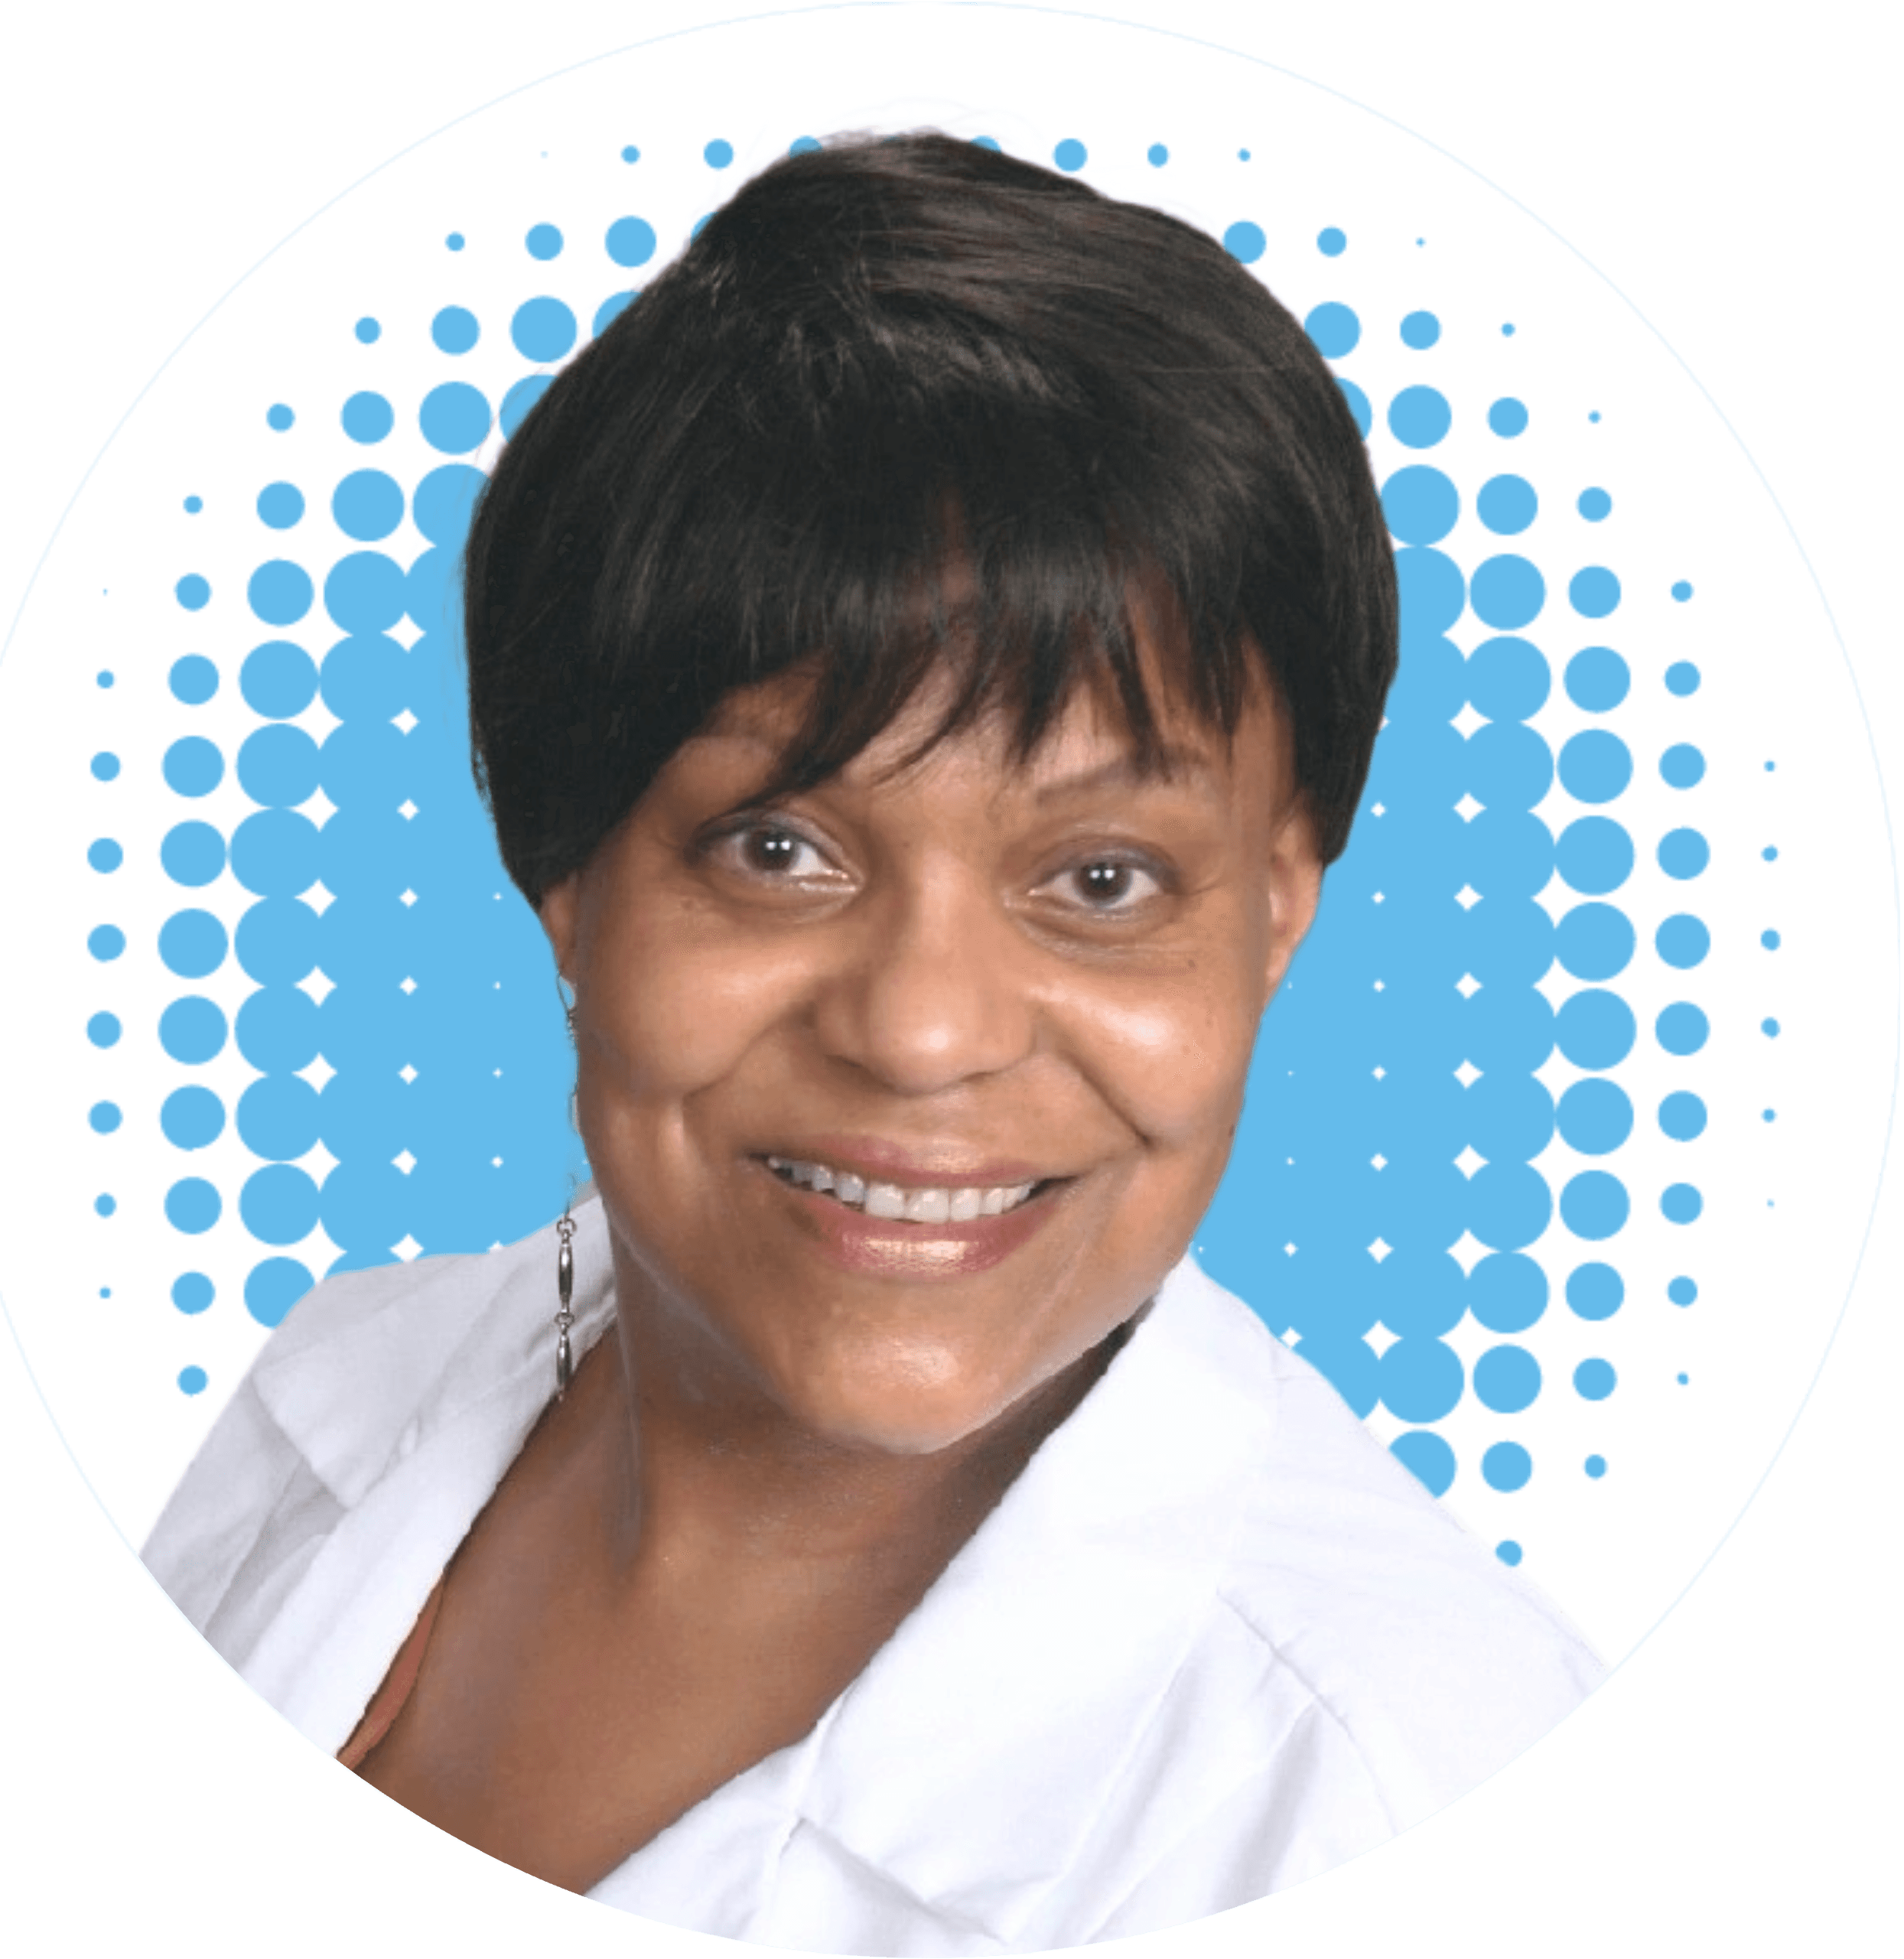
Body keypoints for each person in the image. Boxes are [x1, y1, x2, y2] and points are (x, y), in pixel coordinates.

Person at [145, 133, 1601, 1952]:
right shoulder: (339, 1381)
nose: (921, 1033)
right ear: (562, 871)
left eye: (1098, 875)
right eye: (780, 849)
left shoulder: (1412, 1777)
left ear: (1276, 911)